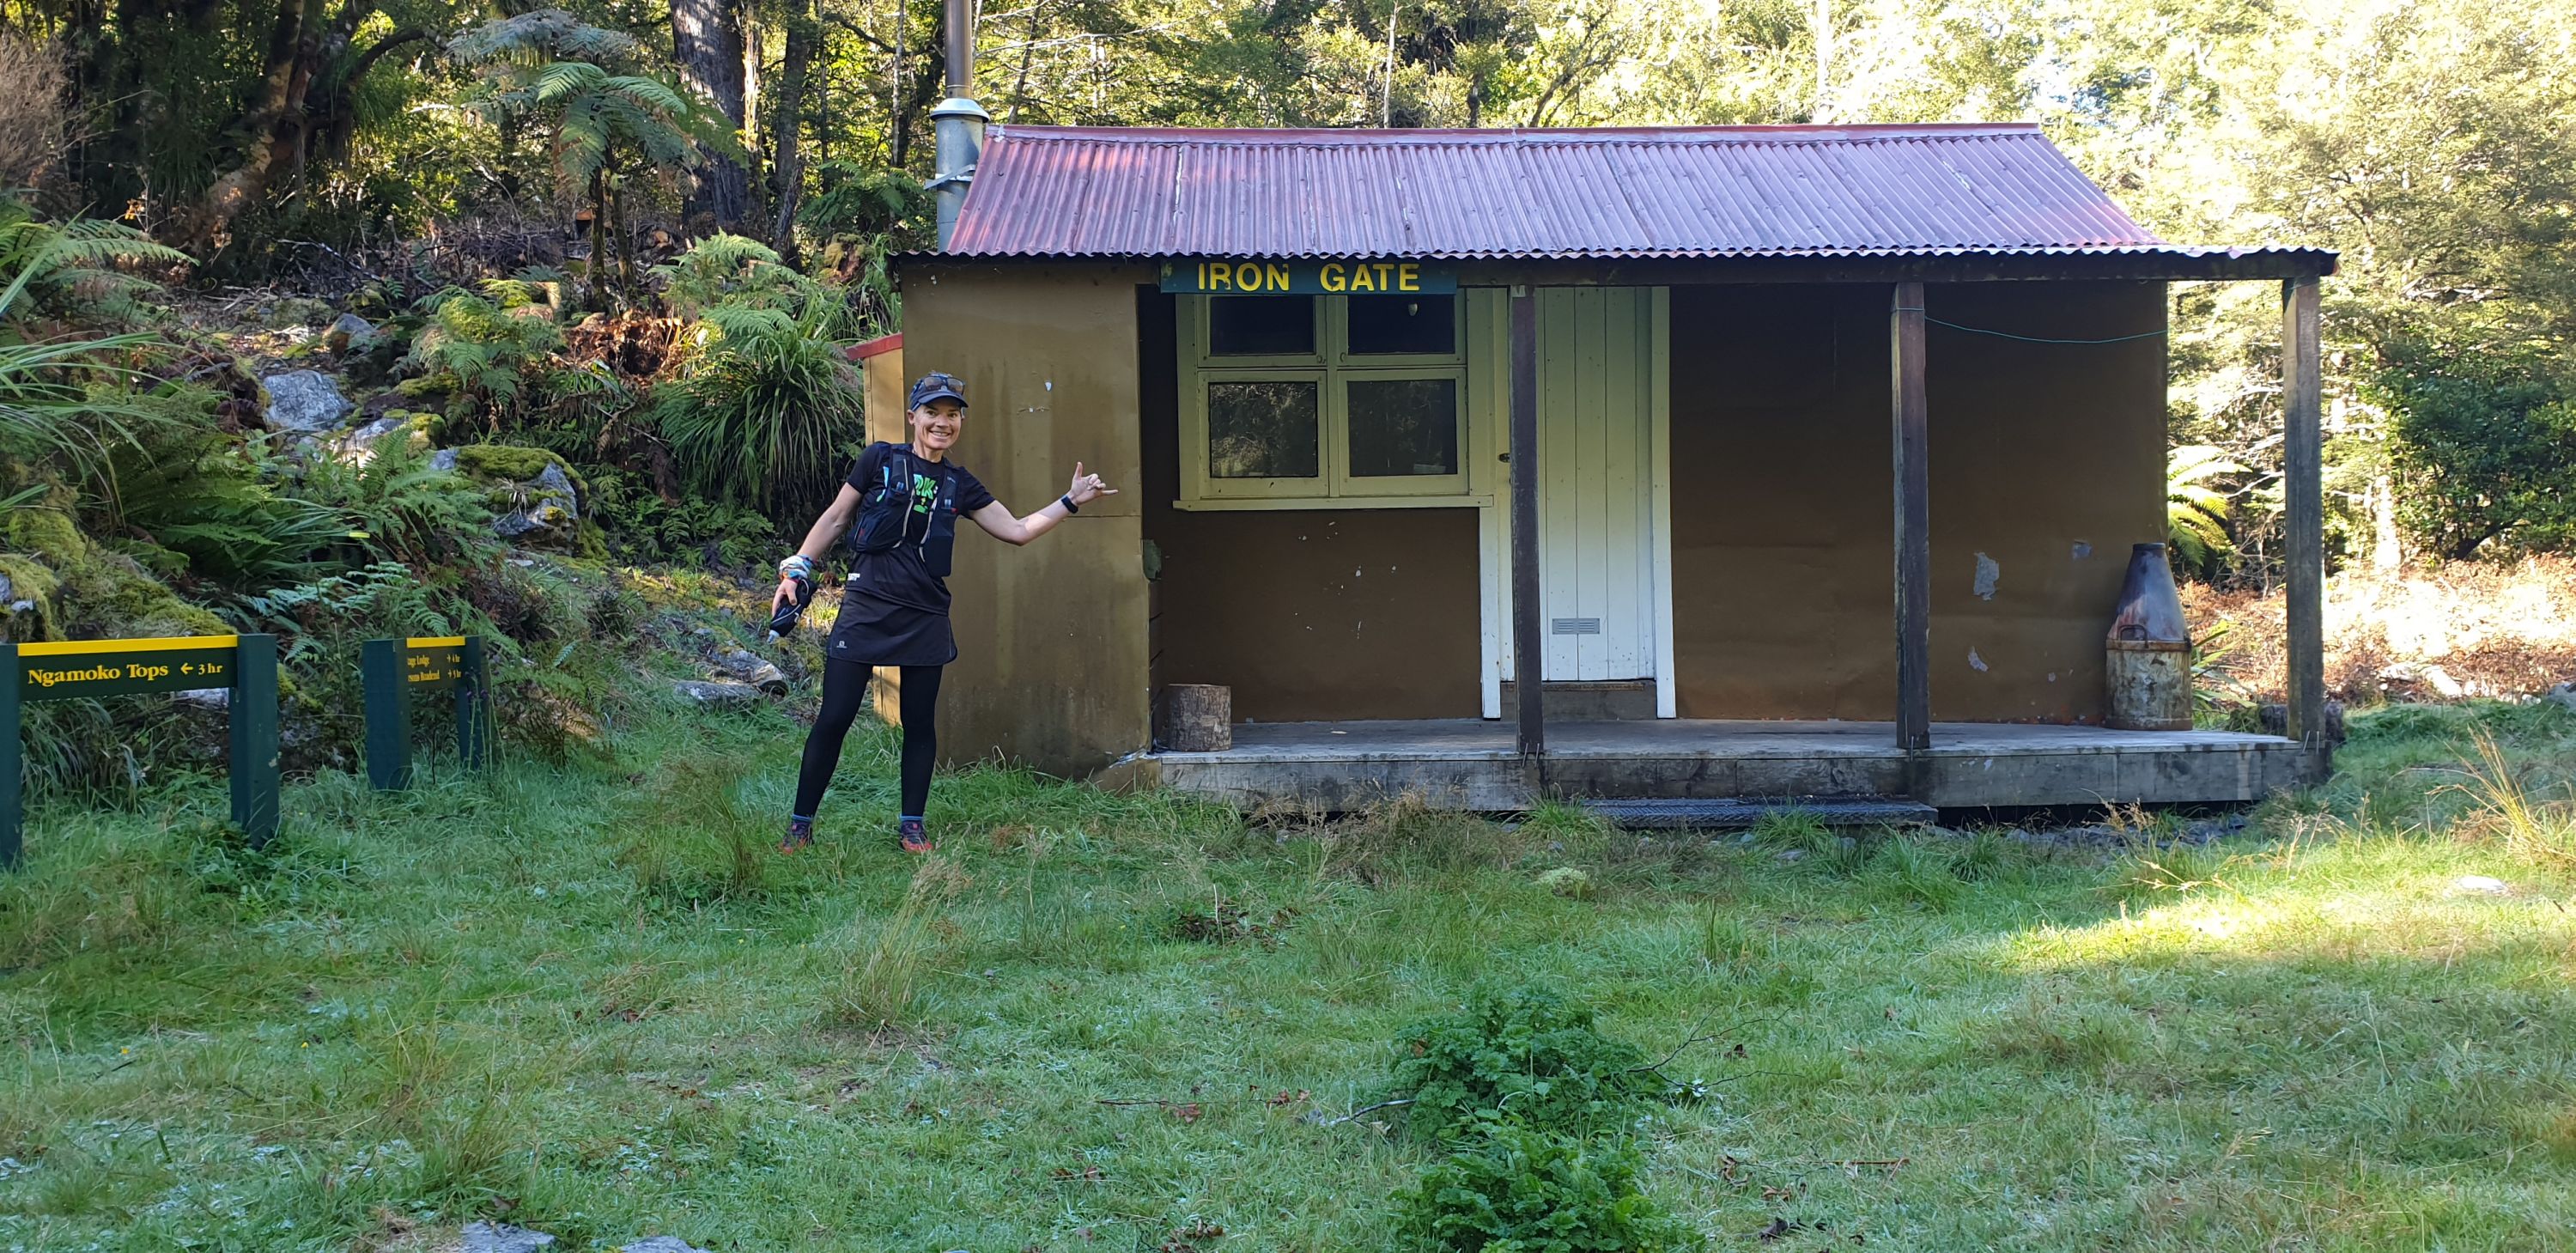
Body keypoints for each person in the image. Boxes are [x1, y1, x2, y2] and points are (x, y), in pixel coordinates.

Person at [772, 372, 1115, 854]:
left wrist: (1070, 501)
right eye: (932, 412)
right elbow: (836, 518)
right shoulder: (879, 460)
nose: (942, 422)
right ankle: (800, 826)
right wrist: (797, 569)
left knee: (920, 724)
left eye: (952, 414)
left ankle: (912, 827)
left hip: (925, 615)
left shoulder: (959, 483)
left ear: (960, 423)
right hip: (867, 608)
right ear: (913, 417)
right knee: (834, 717)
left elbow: (1017, 531)